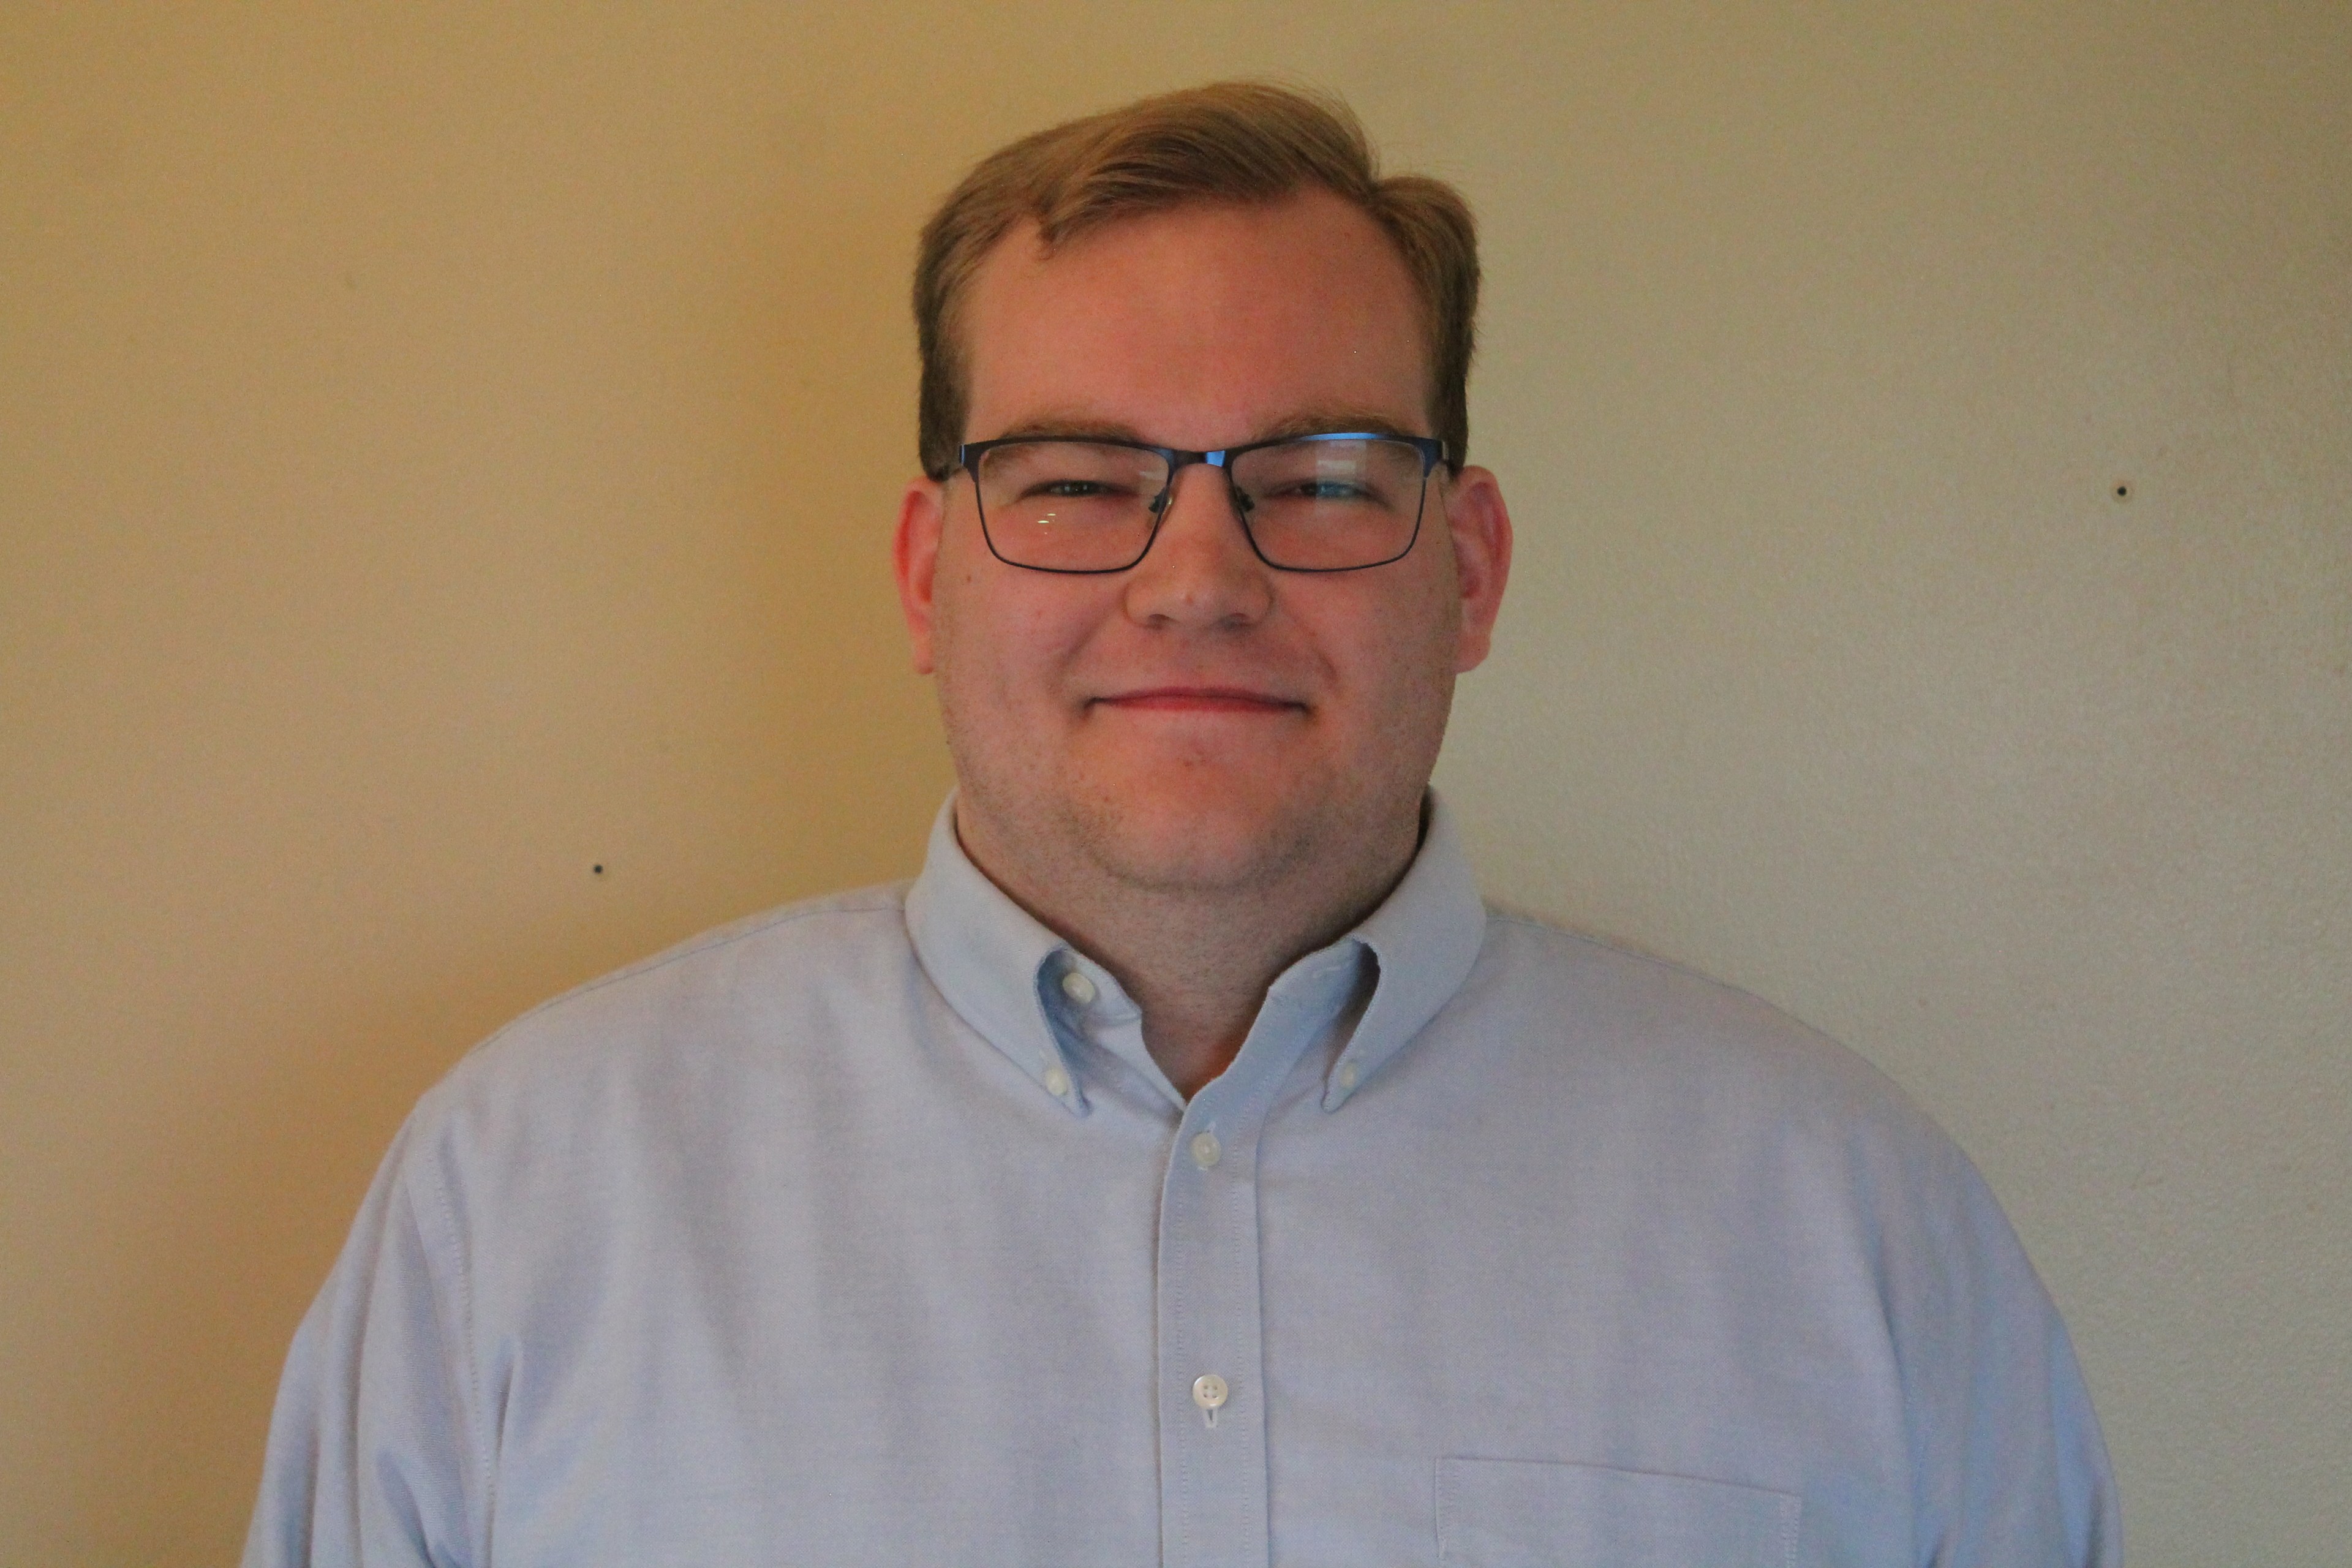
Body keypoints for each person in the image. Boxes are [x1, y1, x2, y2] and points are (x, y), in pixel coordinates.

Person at [244, 83, 2119, 1566]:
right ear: (926, 576)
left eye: (1320, 478)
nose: (1199, 577)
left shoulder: (1850, 1232)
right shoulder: (521, 1207)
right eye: (1076, 478)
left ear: (1468, 570)